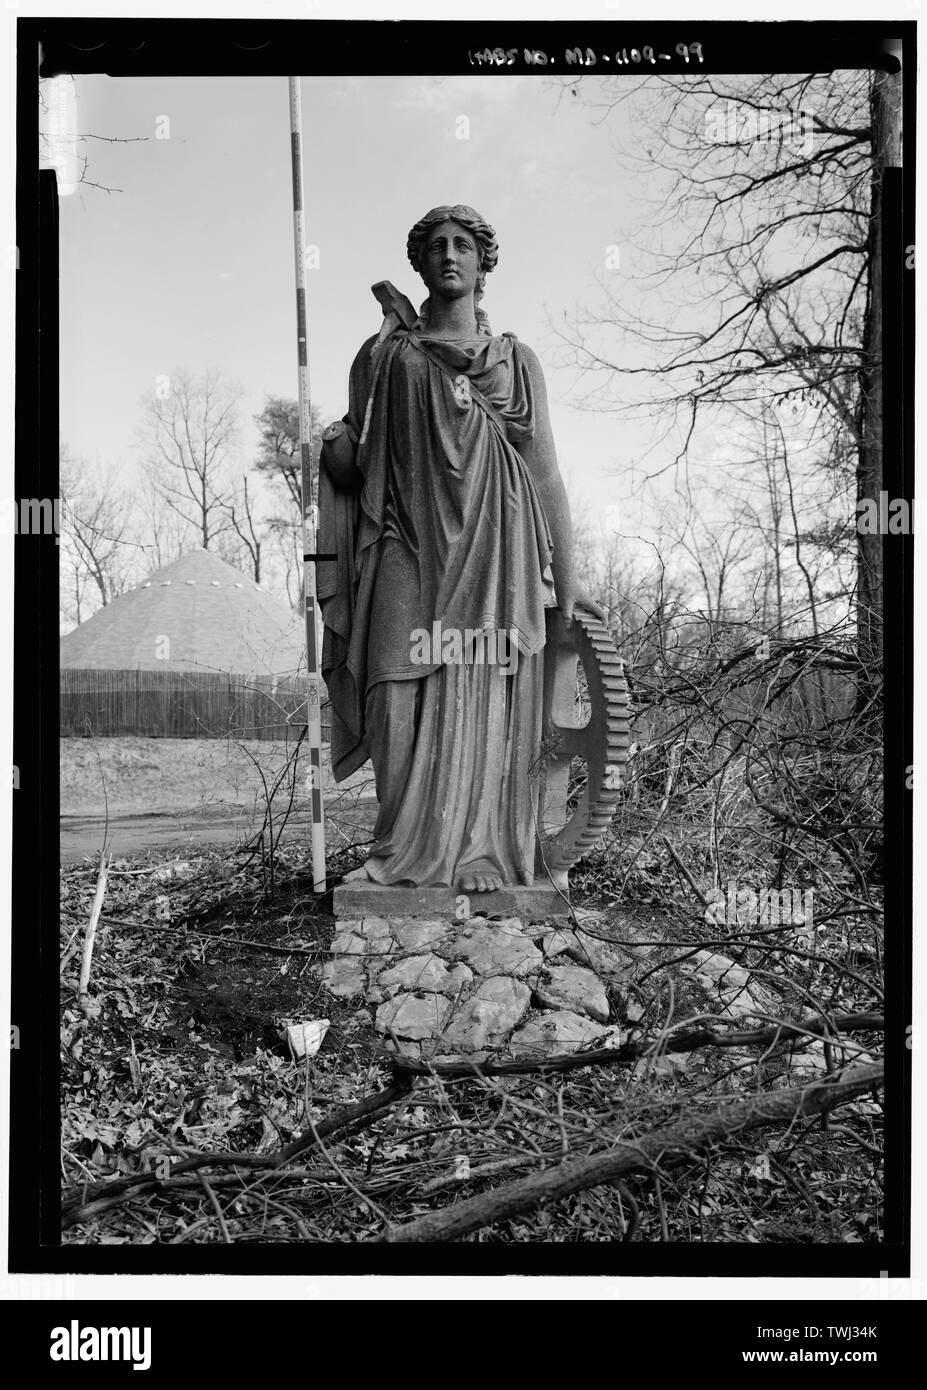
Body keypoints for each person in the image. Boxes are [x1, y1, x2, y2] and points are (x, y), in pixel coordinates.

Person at [318, 204, 595, 893]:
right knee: (390, 679)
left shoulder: (515, 361)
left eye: (462, 245)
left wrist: (568, 574)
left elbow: (545, 468)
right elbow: (354, 467)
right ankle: (402, 845)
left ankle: (479, 851)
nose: (448, 254)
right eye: (435, 245)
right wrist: (329, 448)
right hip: (403, 538)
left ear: (481, 262)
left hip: (498, 542)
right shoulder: (384, 354)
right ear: (419, 263)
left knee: (488, 681)